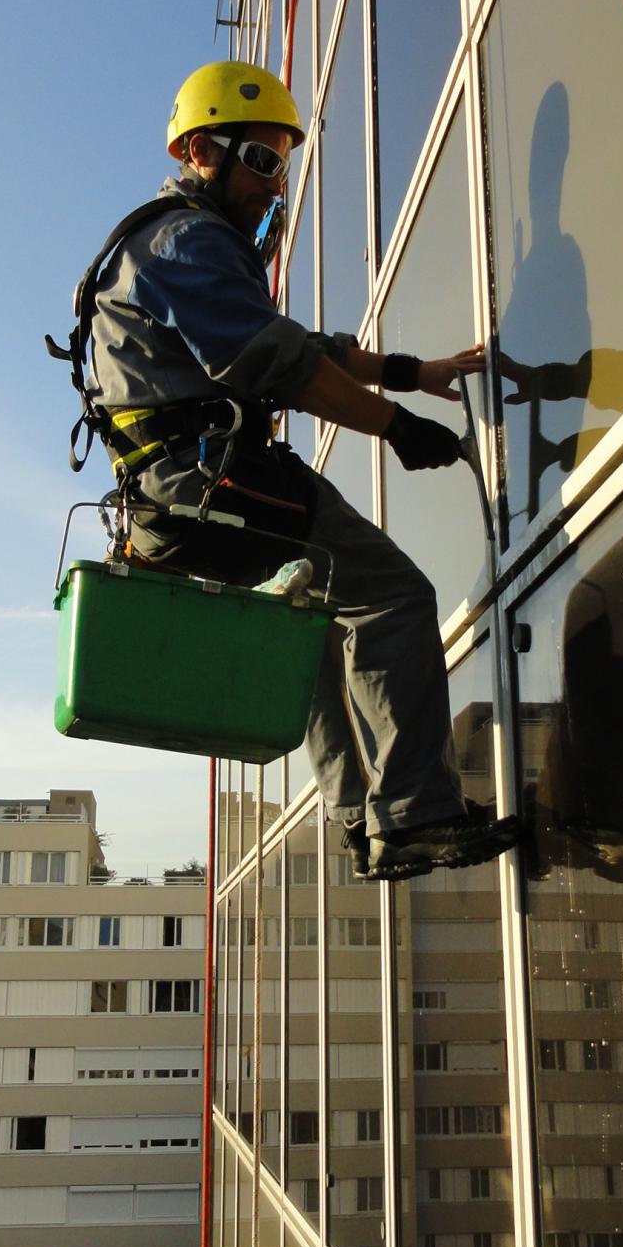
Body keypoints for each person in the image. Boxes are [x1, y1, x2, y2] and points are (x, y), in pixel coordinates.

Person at [80, 59, 521, 883]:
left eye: (284, 165)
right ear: (204, 151)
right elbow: (275, 363)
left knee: (309, 625)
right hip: (215, 484)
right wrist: (397, 429)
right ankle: (416, 815)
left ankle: (362, 819)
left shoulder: (174, 248)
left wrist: (406, 371)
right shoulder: (188, 240)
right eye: (263, 161)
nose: (274, 187)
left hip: (175, 502)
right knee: (393, 596)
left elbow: (300, 345)